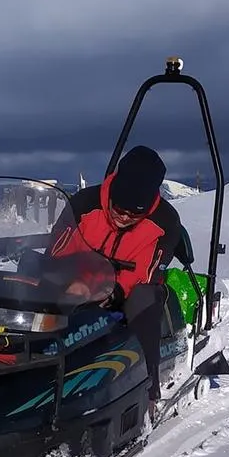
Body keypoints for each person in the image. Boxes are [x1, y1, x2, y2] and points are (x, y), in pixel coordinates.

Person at [65, 146, 183, 404]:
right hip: (77, 282)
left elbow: (146, 274)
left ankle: (149, 389)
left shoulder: (165, 223)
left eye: (134, 214)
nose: (124, 217)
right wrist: (69, 280)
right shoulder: (84, 205)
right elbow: (59, 251)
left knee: (144, 298)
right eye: (120, 209)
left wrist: (108, 290)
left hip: (128, 292)